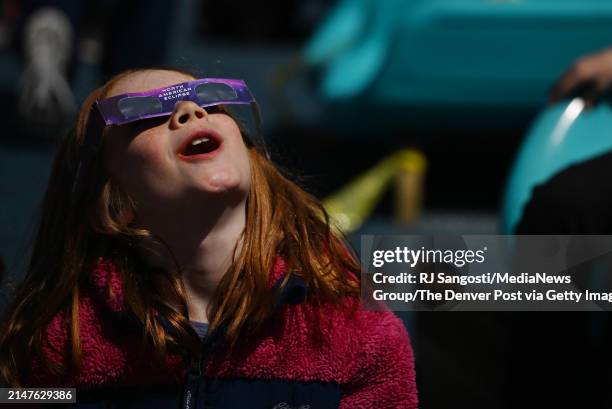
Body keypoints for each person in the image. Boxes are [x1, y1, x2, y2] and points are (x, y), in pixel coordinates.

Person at [0, 68, 417, 408]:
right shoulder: (57, 345)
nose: (188, 110)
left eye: (209, 100)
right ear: (113, 201)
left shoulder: (355, 330)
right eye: (143, 113)